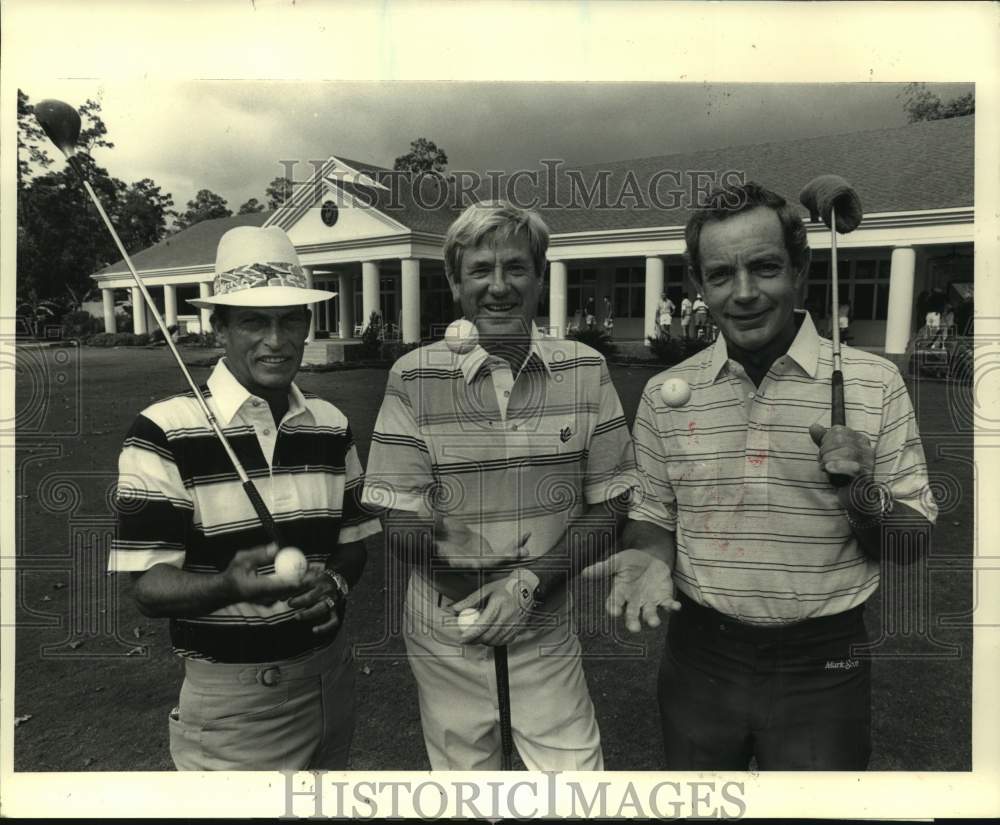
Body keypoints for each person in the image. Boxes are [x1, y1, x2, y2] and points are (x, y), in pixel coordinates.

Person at [585, 181, 937, 770]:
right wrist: (650, 558)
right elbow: (652, 514)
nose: (744, 293)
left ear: (800, 270)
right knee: (700, 808)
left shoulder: (875, 384)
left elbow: (911, 543)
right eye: (721, 275)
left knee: (812, 813)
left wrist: (860, 493)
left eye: (765, 267)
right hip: (700, 657)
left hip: (824, 662)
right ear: (698, 286)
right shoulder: (664, 394)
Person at [362, 201, 636, 771]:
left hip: (546, 623)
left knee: (577, 794)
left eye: (515, 268)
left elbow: (610, 504)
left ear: (540, 276)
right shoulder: (412, 376)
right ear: (454, 282)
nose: (499, 286)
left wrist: (528, 586)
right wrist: (469, 578)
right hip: (444, 632)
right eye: (480, 270)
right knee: (466, 797)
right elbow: (397, 514)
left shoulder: (585, 369)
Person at [109, 226, 382, 770]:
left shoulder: (331, 425)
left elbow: (352, 545)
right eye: (254, 321)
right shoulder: (163, 430)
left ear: (308, 323)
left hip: (331, 682)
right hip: (233, 709)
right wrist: (227, 586)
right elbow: (148, 587)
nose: (275, 341)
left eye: (290, 320)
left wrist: (333, 584)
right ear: (220, 328)